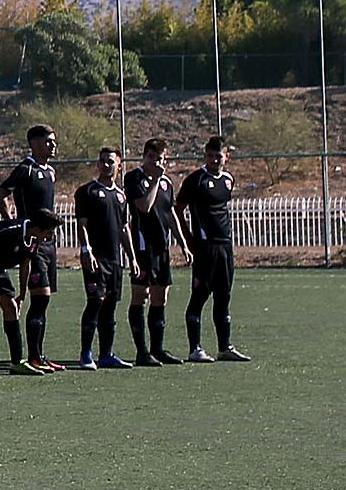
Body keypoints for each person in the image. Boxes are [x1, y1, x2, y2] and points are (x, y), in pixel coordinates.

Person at [0, 125, 64, 373]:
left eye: (54, 141)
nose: (53, 145)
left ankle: (39, 355)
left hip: (48, 244)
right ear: (34, 144)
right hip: (32, 243)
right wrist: (12, 222)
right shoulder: (26, 169)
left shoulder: (50, 171)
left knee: (44, 299)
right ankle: (33, 356)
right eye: (48, 141)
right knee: (40, 297)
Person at [172, 136, 247, 362]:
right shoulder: (196, 180)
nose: (215, 160)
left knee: (223, 296)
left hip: (225, 246)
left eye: (219, 156)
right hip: (205, 248)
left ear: (227, 157)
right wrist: (189, 240)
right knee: (199, 296)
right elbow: (177, 210)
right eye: (211, 156)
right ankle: (195, 349)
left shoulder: (228, 180)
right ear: (205, 156)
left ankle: (225, 347)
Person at [0, 207, 57, 376]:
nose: (51, 236)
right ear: (38, 228)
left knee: (11, 307)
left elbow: (25, 264)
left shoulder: (34, 238)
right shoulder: (11, 236)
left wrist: (21, 294)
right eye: (49, 231)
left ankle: (17, 362)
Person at [71, 147, 133, 369]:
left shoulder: (121, 195)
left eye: (111, 162)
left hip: (114, 260)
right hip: (95, 259)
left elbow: (124, 228)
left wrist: (132, 257)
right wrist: (86, 249)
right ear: (98, 165)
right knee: (95, 302)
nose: (106, 165)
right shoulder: (87, 192)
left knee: (110, 306)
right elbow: (82, 224)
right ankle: (86, 354)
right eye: (103, 161)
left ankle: (106, 354)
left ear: (119, 165)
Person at [124, 140, 180, 363]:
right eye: (152, 158)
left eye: (160, 158)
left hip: (161, 248)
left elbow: (170, 213)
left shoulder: (166, 183)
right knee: (141, 295)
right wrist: (155, 179)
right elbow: (144, 207)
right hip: (142, 246)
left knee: (161, 296)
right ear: (144, 157)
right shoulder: (134, 178)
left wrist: (183, 243)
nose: (157, 162)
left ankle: (158, 349)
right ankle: (142, 352)